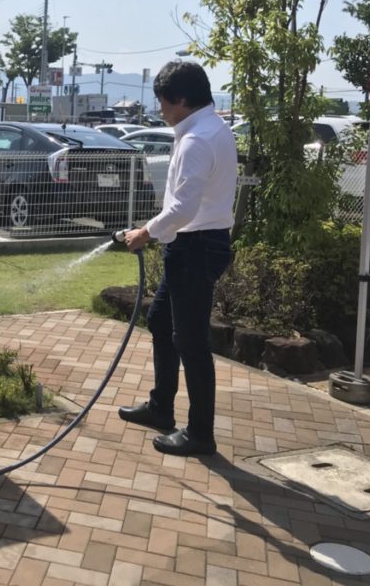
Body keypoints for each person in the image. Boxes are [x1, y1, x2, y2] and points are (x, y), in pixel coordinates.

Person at [118, 60, 237, 456]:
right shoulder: (210, 128)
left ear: (182, 99)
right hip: (194, 242)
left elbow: (183, 208)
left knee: (191, 340)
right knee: (160, 320)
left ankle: (200, 433)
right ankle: (161, 408)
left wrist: (144, 233)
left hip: (196, 245)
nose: (160, 109)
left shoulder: (197, 140)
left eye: (163, 101)